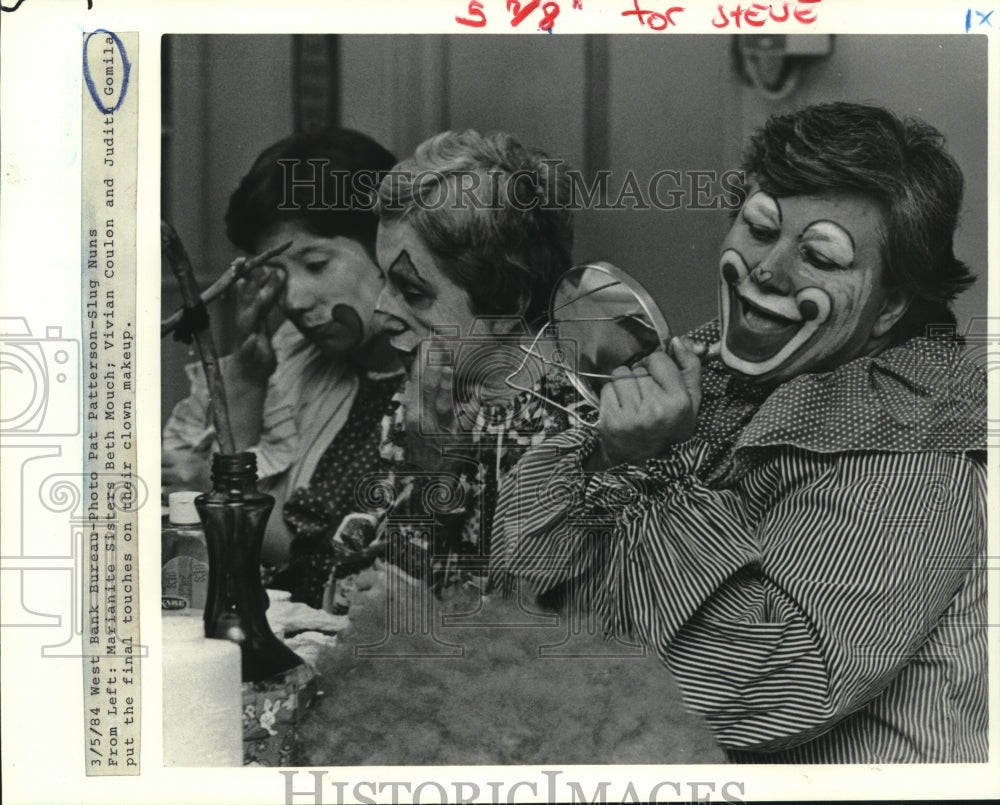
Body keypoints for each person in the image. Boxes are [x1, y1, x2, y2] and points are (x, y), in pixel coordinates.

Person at [492, 102, 986, 763]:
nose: (769, 270)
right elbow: (519, 595)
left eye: (818, 255)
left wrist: (655, 471)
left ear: (889, 304)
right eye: (759, 229)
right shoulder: (708, 364)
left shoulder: (914, 443)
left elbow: (751, 692)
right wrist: (613, 455)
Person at [162, 128, 404, 605]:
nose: (293, 300)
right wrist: (247, 384)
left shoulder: (442, 385)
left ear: (387, 245)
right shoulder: (294, 353)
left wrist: (212, 489)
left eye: (315, 264)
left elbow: (326, 568)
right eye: (276, 275)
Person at [363, 128, 591, 598]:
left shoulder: (578, 438)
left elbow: (520, 638)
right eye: (383, 282)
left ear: (507, 300)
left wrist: (433, 477)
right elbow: (360, 595)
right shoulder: (419, 403)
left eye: (412, 292)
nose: (381, 312)